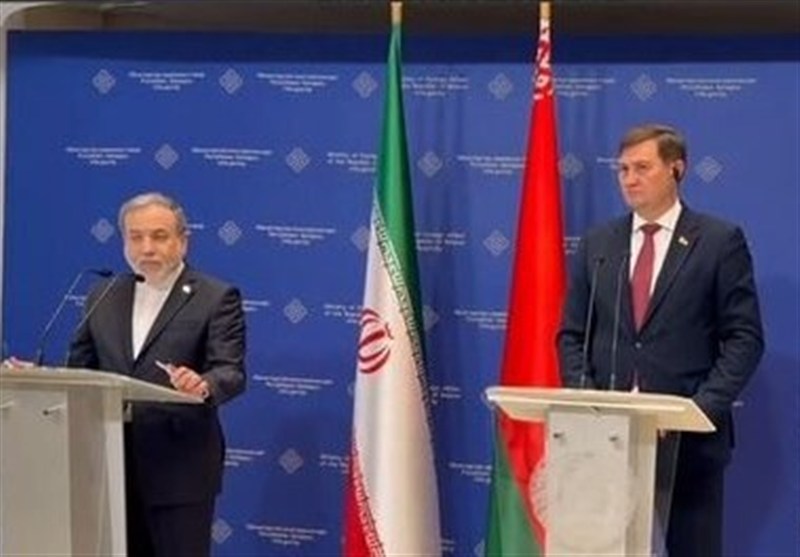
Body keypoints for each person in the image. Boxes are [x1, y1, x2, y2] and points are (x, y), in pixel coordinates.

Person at [557, 124, 764, 556]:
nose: (629, 179)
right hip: (606, 443)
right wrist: (590, 403)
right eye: (623, 170)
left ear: (676, 169)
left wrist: (697, 409)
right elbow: (571, 335)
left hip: (688, 445)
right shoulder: (599, 244)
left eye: (642, 168)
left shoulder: (718, 242)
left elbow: (744, 339)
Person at [67, 191, 246, 556]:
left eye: (159, 236)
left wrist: (203, 384)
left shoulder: (215, 296)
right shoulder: (103, 294)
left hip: (178, 469)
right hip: (108, 465)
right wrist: (39, 376)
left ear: (183, 240)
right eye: (136, 237)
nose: (146, 248)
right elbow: (80, 369)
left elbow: (230, 371)